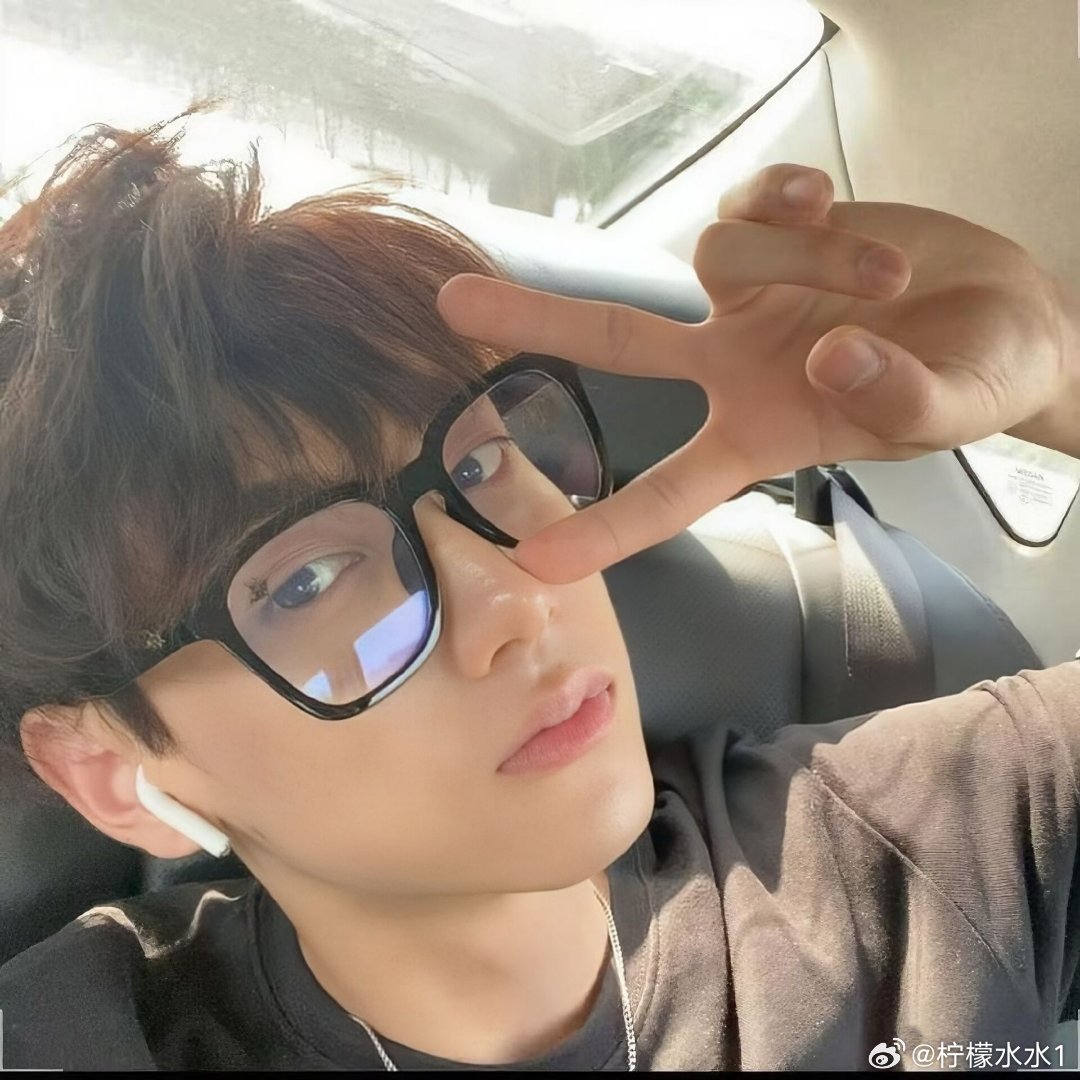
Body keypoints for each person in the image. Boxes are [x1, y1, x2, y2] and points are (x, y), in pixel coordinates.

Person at [0, 107, 1077, 1071]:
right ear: (107, 770)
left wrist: (1064, 374)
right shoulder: (76, 1039)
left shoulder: (924, 851)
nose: (516, 598)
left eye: (478, 464)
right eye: (306, 581)